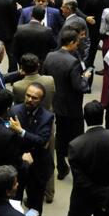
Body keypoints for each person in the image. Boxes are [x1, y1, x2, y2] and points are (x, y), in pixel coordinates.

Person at [43, 28, 93, 180]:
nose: (78, 45)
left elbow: (45, 76)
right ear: (71, 43)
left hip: (55, 103)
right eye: (77, 43)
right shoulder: (73, 62)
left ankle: (61, 167)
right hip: (72, 106)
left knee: (60, 136)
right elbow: (80, 86)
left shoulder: (50, 56)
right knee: (76, 138)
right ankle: (77, 170)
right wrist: (85, 77)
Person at [9, 83, 54, 216]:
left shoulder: (47, 117)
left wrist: (21, 132)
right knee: (14, 201)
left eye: (34, 98)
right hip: (18, 163)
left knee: (35, 205)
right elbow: (9, 136)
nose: (29, 99)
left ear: (41, 100)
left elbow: (42, 141)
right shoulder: (14, 110)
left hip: (38, 165)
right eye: (28, 96)